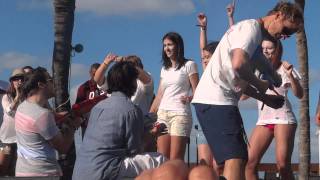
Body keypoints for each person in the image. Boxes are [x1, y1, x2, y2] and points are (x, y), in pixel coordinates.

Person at [191, 2, 303, 180]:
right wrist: (260, 84)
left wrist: (264, 97)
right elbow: (239, 64)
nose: (284, 36)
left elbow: (239, 80)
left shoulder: (254, 38)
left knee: (236, 158)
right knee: (236, 158)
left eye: (289, 35)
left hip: (214, 100)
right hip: (217, 100)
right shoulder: (251, 29)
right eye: (286, 30)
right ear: (280, 14)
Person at [72, 61, 165, 180]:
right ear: (133, 83)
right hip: (105, 172)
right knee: (161, 161)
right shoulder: (131, 110)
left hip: (80, 172)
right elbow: (134, 151)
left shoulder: (98, 107)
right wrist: (152, 134)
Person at [245, 39, 303, 180]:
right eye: (263, 48)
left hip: (283, 118)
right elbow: (243, 98)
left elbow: (299, 94)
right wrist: (245, 76)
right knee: (249, 163)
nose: (265, 51)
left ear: (277, 50)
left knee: (282, 164)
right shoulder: (257, 69)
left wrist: (290, 75)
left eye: (269, 48)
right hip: (264, 120)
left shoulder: (284, 67)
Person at [14, 67, 82, 176]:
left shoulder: (22, 107)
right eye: (50, 80)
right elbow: (63, 147)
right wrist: (73, 126)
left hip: (23, 171)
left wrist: (69, 114)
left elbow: (40, 123)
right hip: (43, 173)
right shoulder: (42, 115)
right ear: (41, 84)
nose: (54, 83)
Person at [195, 2, 235, 171]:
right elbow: (202, 49)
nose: (204, 60)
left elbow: (233, 44)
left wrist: (230, 19)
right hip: (205, 118)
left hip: (221, 116)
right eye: (203, 58)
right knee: (204, 164)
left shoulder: (223, 70)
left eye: (208, 58)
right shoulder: (205, 73)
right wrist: (203, 28)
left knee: (218, 164)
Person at [149, 32, 199, 160]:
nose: (167, 48)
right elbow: (159, 95)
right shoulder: (164, 69)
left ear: (178, 46)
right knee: (161, 158)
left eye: (170, 44)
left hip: (180, 114)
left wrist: (189, 98)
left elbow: (198, 91)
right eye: (165, 45)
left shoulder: (189, 65)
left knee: (176, 159)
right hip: (162, 115)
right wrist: (149, 116)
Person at [0, 68, 25, 176]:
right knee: (3, 167)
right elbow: (10, 111)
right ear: (12, 81)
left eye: (22, 79)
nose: (19, 81)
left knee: (16, 170)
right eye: (16, 79)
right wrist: (18, 96)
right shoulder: (6, 97)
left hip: (21, 140)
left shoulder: (29, 98)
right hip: (7, 140)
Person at [75, 63, 103, 138]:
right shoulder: (84, 88)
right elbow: (78, 109)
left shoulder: (109, 86)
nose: (96, 76)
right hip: (88, 128)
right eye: (94, 74)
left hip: (105, 126)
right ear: (90, 73)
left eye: (98, 73)